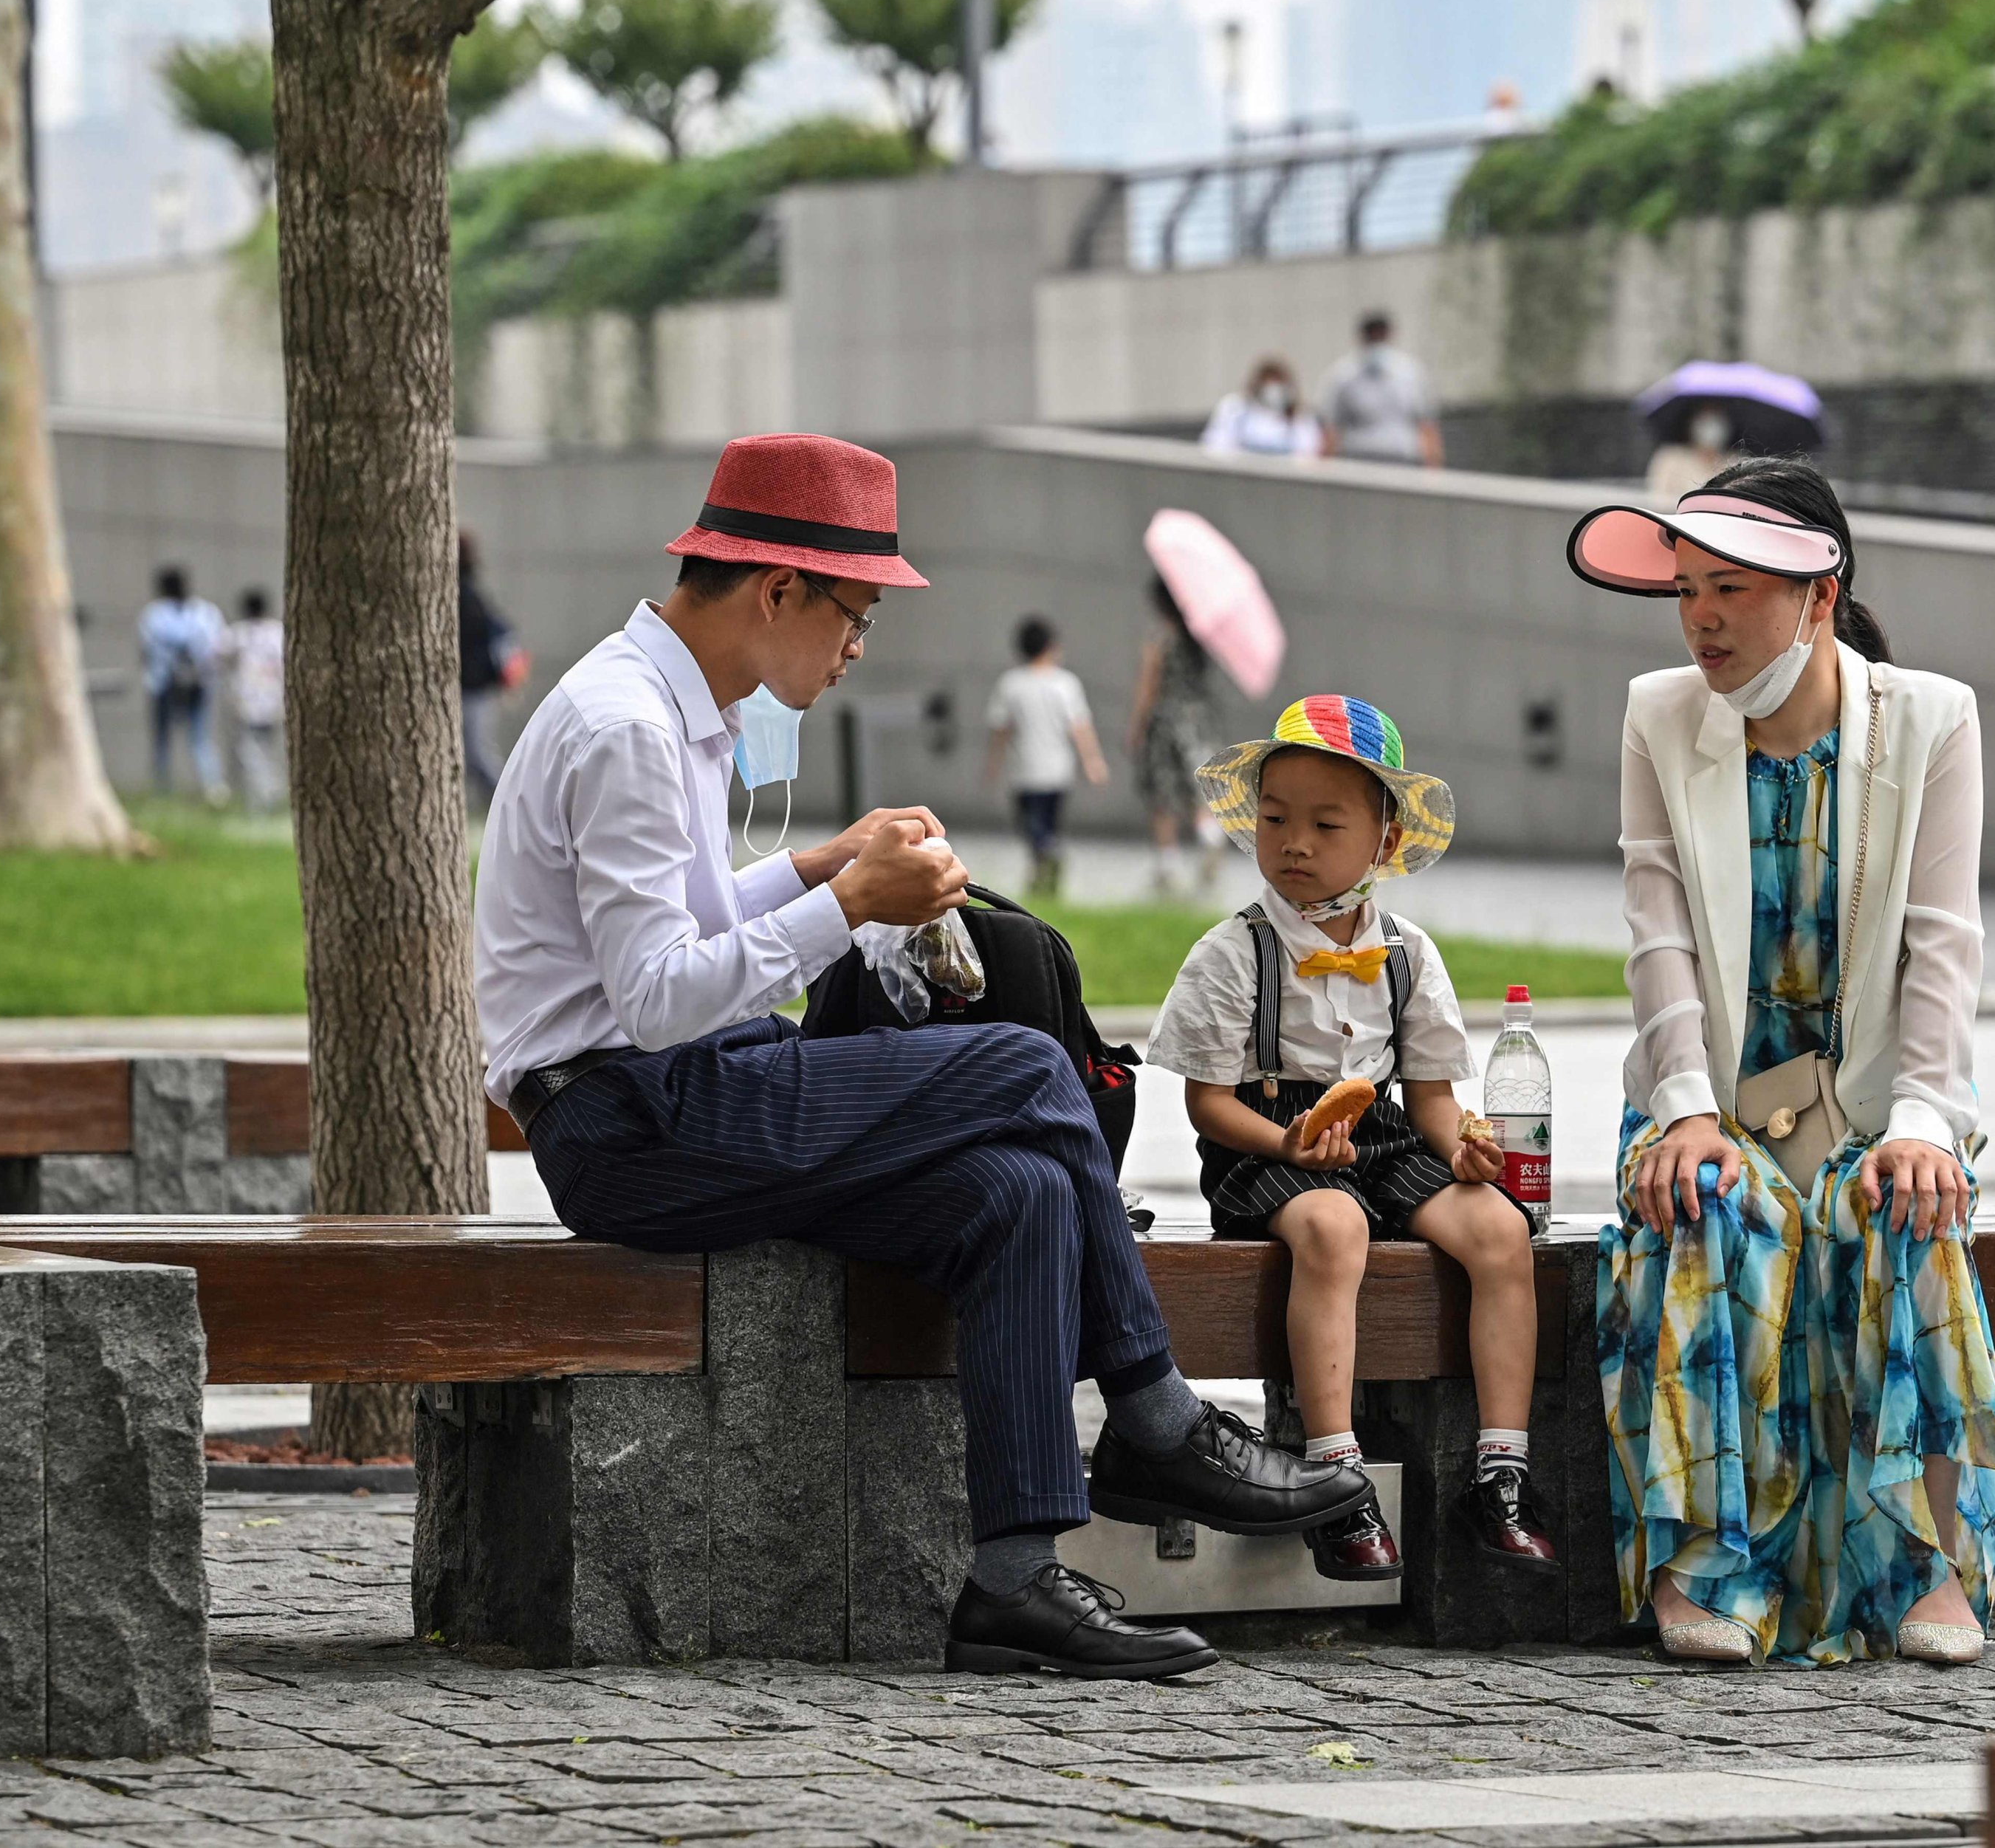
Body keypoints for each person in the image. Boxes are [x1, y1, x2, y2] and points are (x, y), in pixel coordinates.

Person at [473, 433, 1370, 1682]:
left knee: (1021, 1193)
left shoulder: (664, 706)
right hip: (633, 1116)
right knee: (1024, 1067)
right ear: (778, 587)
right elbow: (660, 997)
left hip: (661, 1098)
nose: (856, 647)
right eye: (856, 614)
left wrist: (820, 866)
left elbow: (668, 929)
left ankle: (1011, 1582)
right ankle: (1156, 1415)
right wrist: (853, 908)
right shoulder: (628, 724)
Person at [1565, 455, 1995, 1669]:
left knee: (1904, 1208)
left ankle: (1926, 1563)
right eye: (1685, 590)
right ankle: (1707, 1563)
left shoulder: (1931, 720)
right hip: (1710, 1100)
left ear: (1818, 598)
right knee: (1711, 1202)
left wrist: (1924, 1119)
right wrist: (1680, 1113)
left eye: (1731, 589)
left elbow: (1944, 947)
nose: (1701, 617)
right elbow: (1656, 932)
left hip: (1876, 1100)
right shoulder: (1660, 715)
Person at [1147, 696, 1558, 1582]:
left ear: (1383, 841)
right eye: (1274, 819)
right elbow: (1206, 1106)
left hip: (1381, 1136)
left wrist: (1464, 1155)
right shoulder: (1233, 954)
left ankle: (1501, 1472)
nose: (1293, 842)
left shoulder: (1408, 954)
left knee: (1501, 1229)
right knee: (1335, 1226)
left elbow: (1434, 1102)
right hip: (1265, 1143)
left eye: (1325, 823)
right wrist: (1287, 1143)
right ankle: (1335, 1478)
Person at [984, 616, 1110, 897]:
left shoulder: (1011, 684)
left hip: (1025, 772)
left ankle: (1043, 859)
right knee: (1049, 822)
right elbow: (1080, 728)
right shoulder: (1065, 684)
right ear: (1051, 647)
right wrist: (1093, 762)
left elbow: (1001, 730)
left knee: (1031, 824)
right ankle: (1046, 860)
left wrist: (994, 763)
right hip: (1058, 771)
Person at [1129, 578, 1223, 899]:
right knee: (1198, 789)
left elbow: (1149, 686)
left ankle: (1167, 865)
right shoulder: (1198, 641)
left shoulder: (1161, 639)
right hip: (1198, 721)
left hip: (1165, 723)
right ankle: (1210, 836)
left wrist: (1136, 729)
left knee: (1163, 793)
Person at [137, 566, 225, 803]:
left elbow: (146, 651)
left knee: (188, 738)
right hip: (169, 684)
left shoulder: (156, 615)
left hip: (188, 684)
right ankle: (177, 790)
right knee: (179, 739)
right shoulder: (204, 613)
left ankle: (209, 790)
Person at [1319, 311, 1443, 468]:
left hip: (1403, 463)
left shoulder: (1411, 373)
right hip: (1358, 463)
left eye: (1380, 336)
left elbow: (1427, 425)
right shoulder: (1343, 376)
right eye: (1373, 337)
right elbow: (1331, 429)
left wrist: (1434, 467)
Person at [459, 533, 522, 804]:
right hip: (475, 687)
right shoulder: (469, 592)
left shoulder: (465, 595)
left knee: (477, 755)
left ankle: (508, 804)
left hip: (474, 688)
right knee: (474, 755)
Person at [222, 588, 286, 813]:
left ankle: (266, 789)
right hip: (273, 700)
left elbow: (217, 654)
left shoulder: (239, 633)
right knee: (266, 748)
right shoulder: (278, 632)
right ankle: (269, 788)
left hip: (248, 701)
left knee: (250, 751)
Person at [1200, 357, 1322, 460]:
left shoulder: (1300, 416)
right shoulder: (1235, 408)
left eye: (1278, 383)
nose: (1273, 389)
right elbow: (1215, 448)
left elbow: (1309, 457)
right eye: (1268, 382)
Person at [1644, 402, 1736, 499]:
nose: (1710, 426)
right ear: (1692, 422)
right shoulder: (1670, 458)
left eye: (1717, 417)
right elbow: (1658, 497)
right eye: (1704, 419)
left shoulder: (1736, 461)